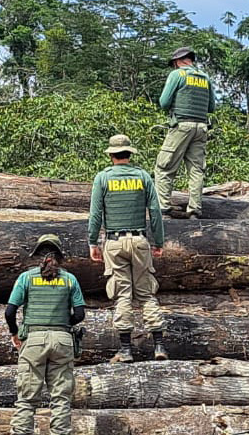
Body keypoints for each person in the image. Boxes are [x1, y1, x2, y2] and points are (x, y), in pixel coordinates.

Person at [87, 134, 168, 362]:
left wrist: (94, 242)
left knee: (122, 294)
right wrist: (158, 242)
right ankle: (159, 346)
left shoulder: (102, 178)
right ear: (129, 154)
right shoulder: (142, 177)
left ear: (111, 155)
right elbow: (155, 212)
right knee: (146, 293)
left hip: (113, 242)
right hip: (140, 240)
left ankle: (125, 350)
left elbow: (95, 215)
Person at [5, 234, 86, 435]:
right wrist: (63, 324)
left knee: (26, 398)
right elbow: (80, 314)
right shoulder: (69, 280)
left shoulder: (26, 278)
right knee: (61, 398)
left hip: (33, 340)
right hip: (63, 340)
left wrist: (15, 333)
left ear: (37, 256)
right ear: (60, 256)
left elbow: (9, 312)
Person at [153, 46, 214, 219]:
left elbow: (164, 102)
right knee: (196, 170)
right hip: (201, 127)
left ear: (178, 61)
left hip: (181, 126)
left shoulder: (177, 75)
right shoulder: (205, 77)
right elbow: (211, 107)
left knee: (164, 167)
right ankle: (194, 210)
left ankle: (163, 209)